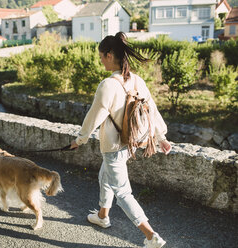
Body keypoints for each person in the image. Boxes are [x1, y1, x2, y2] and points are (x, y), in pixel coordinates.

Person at [70, 32, 172, 248]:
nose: (100, 60)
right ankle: (102, 215)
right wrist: (160, 136)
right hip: (132, 141)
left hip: (114, 145)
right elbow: (151, 108)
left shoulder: (108, 85)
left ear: (108, 55)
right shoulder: (136, 79)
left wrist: (80, 139)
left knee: (123, 192)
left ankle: (151, 236)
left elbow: (93, 116)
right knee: (104, 176)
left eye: (101, 56)